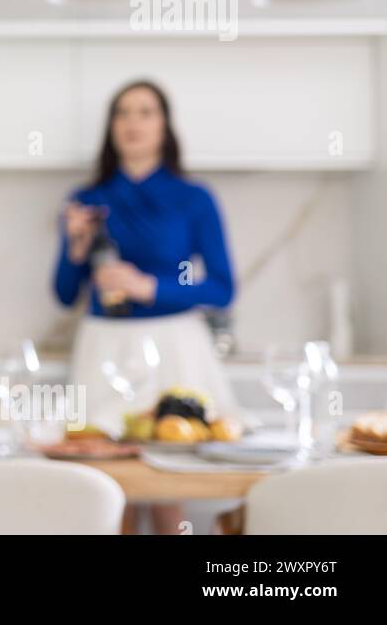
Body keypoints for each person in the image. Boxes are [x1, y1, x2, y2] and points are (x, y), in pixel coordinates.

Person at [54, 79, 240, 534]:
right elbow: (63, 294)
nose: (133, 123)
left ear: (164, 125)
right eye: (123, 112)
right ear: (111, 126)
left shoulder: (194, 199)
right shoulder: (87, 200)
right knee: (105, 490)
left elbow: (222, 287)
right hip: (103, 347)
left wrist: (149, 287)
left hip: (175, 346)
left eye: (145, 112)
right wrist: (75, 247)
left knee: (166, 490)